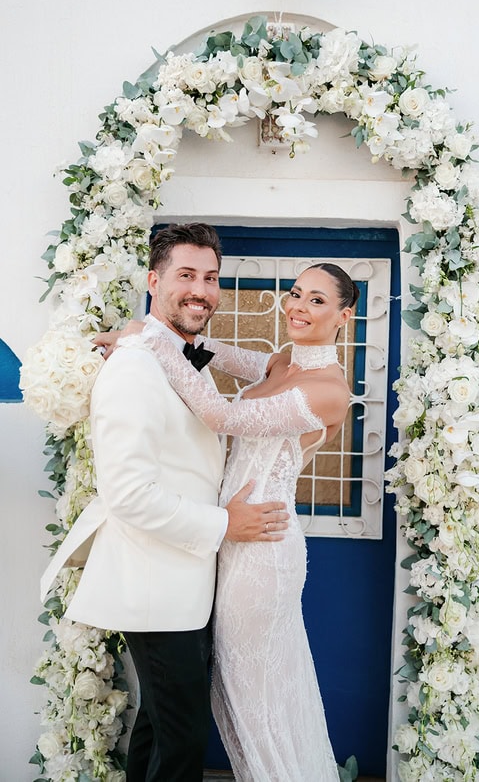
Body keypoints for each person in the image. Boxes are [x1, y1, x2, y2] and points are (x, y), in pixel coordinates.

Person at [40, 223, 291, 782]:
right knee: (181, 743)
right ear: (154, 280)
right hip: (154, 583)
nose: (200, 289)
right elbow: (129, 494)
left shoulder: (171, 353)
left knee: (159, 731)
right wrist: (227, 524)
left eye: (210, 277)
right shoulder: (132, 368)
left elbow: (261, 367)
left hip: (184, 580)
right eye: (185, 275)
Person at [109, 258, 360, 781]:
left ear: (344, 315)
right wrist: (145, 333)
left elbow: (222, 415)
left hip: (263, 548)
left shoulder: (328, 390)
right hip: (229, 535)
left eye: (317, 300)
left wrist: (150, 342)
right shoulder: (281, 364)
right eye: (296, 293)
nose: (298, 306)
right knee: (242, 693)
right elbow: (206, 352)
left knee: (255, 699)